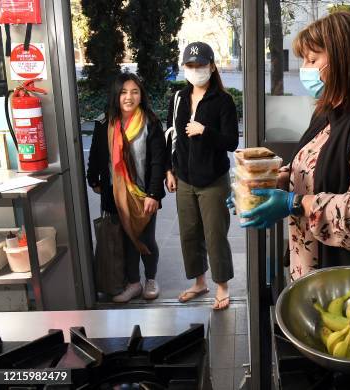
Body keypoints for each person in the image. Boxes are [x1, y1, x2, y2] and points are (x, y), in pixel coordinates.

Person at [234, 11, 350, 281]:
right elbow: (312, 166)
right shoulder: (328, 110)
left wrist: (293, 203)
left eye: (312, 59)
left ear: (346, 57)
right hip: (316, 271)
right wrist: (261, 186)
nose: (305, 69)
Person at [165, 42, 238, 310]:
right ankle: (199, 282)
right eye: (191, 66)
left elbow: (231, 142)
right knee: (189, 233)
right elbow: (170, 136)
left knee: (215, 234)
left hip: (213, 180)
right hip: (183, 177)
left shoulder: (223, 100)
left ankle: (222, 286)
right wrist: (169, 170)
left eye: (201, 65)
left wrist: (205, 130)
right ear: (184, 68)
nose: (196, 70)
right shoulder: (178, 98)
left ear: (212, 66)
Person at [87, 73, 166, 302]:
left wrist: (154, 194)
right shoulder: (105, 123)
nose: (129, 97)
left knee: (145, 239)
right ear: (116, 95)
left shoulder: (151, 122)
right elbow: (96, 154)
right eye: (123, 92)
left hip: (143, 195)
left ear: (141, 95)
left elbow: (157, 162)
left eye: (134, 91)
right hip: (114, 194)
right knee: (123, 239)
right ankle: (133, 283)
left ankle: (150, 279)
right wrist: (93, 180)